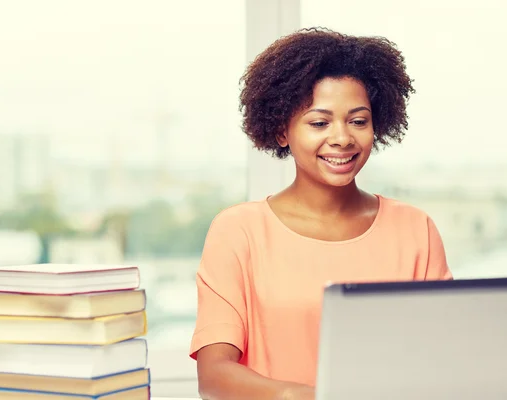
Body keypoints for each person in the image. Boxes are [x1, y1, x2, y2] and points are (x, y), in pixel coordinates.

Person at [189, 27, 453, 400]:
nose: (342, 138)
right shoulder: (238, 231)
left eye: (358, 121)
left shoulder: (415, 230)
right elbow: (214, 377)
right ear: (282, 130)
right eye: (319, 122)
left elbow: (443, 360)